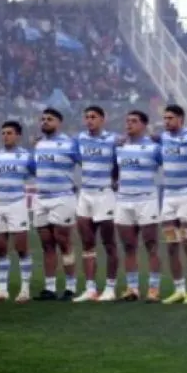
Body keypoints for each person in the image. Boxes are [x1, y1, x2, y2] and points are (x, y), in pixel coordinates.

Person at [114, 111, 163, 302]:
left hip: (146, 200)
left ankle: (153, 289)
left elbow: (169, 163)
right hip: (124, 200)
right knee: (128, 246)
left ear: (144, 125)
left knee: (151, 245)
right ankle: (132, 288)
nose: (129, 124)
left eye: (134, 121)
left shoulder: (154, 148)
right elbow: (115, 170)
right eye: (127, 121)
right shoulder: (119, 147)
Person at [32, 108, 81, 301]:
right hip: (41, 198)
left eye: (49, 119)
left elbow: (86, 163)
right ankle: (50, 288)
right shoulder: (38, 145)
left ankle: (70, 286)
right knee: (47, 244)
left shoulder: (69, 144)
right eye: (42, 119)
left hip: (62, 197)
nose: (44, 122)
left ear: (59, 123)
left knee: (64, 242)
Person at [73, 106, 120, 302]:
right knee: (87, 244)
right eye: (86, 117)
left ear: (103, 119)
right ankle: (90, 288)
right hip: (85, 194)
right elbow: (79, 160)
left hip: (105, 194)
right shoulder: (79, 139)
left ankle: (110, 288)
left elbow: (119, 163)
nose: (89, 120)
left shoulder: (113, 140)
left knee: (109, 244)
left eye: (93, 117)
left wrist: (115, 180)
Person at [0, 121, 36, 303]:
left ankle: (24, 289)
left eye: (9, 133)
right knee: (0, 248)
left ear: (18, 135)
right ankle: (2, 290)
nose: (5, 136)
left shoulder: (26, 157)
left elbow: (39, 173)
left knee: (21, 248)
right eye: (3, 133)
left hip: (17, 204)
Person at [159, 105, 187, 304]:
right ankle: (178, 290)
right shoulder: (162, 138)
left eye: (170, 118)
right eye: (165, 118)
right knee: (171, 245)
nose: (166, 122)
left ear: (181, 119)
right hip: (168, 197)